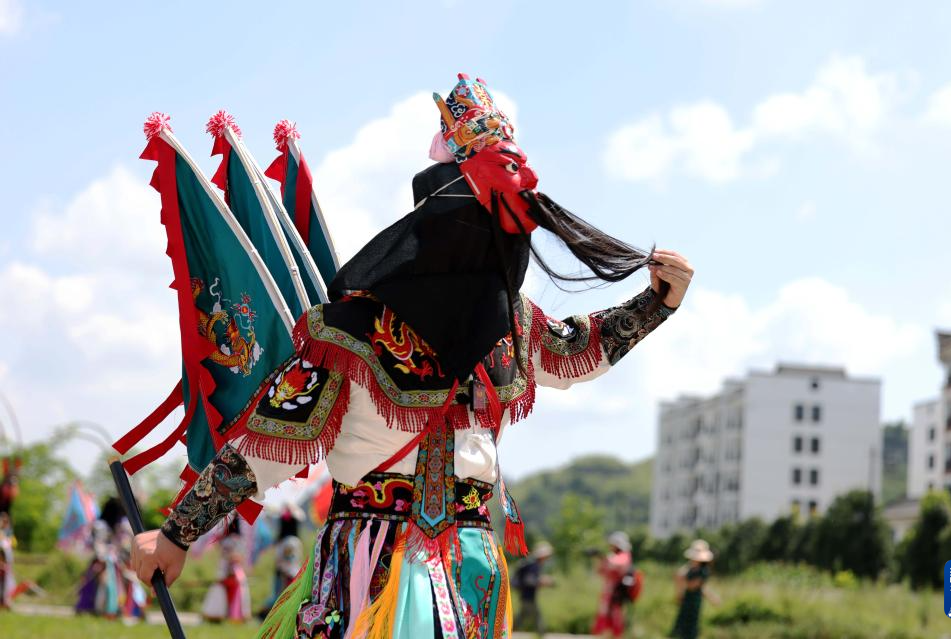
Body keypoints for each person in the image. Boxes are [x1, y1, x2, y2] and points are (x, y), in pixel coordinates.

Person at [131, 73, 694, 639]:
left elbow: (577, 349)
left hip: (457, 568)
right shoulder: (359, 331)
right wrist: (177, 534)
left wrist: (656, 302)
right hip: (378, 568)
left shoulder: (496, 324)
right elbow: (265, 443)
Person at [671, 539, 720, 639]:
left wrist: (682, 581)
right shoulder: (690, 567)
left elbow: (694, 586)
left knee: (691, 624)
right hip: (687, 598)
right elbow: (679, 575)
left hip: (694, 600)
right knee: (682, 623)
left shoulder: (703, 571)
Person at [593, 531, 634, 637]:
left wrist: (603, 558)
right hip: (609, 592)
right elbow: (601, 571)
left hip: (617, 592)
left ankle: (616, 635)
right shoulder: (613, 556)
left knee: (616, 616)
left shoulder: (624, 556)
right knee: (605, 615)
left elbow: (615, 563)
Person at [513, 541, 554, 636]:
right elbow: (529, 580)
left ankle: (510, 630)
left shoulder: (532, 564)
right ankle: (541, 634)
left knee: (523, 615)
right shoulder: (534, 565)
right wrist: (542, 582)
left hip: (525, 594)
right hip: (528, 595)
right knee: (536, 615)